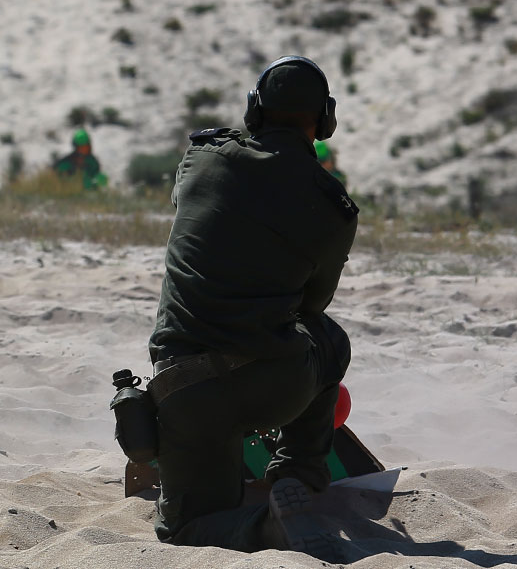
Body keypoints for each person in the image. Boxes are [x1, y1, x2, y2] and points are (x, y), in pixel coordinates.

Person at [146, 56, 358, 561]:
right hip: (275, 380)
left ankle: (264, 528)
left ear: (253, 108)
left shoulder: (202, 158)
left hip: (186, 387)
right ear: (324, 120)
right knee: (327, 340)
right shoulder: (332, 207)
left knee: (187, 527)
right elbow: (312, 305)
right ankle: (297, 477)